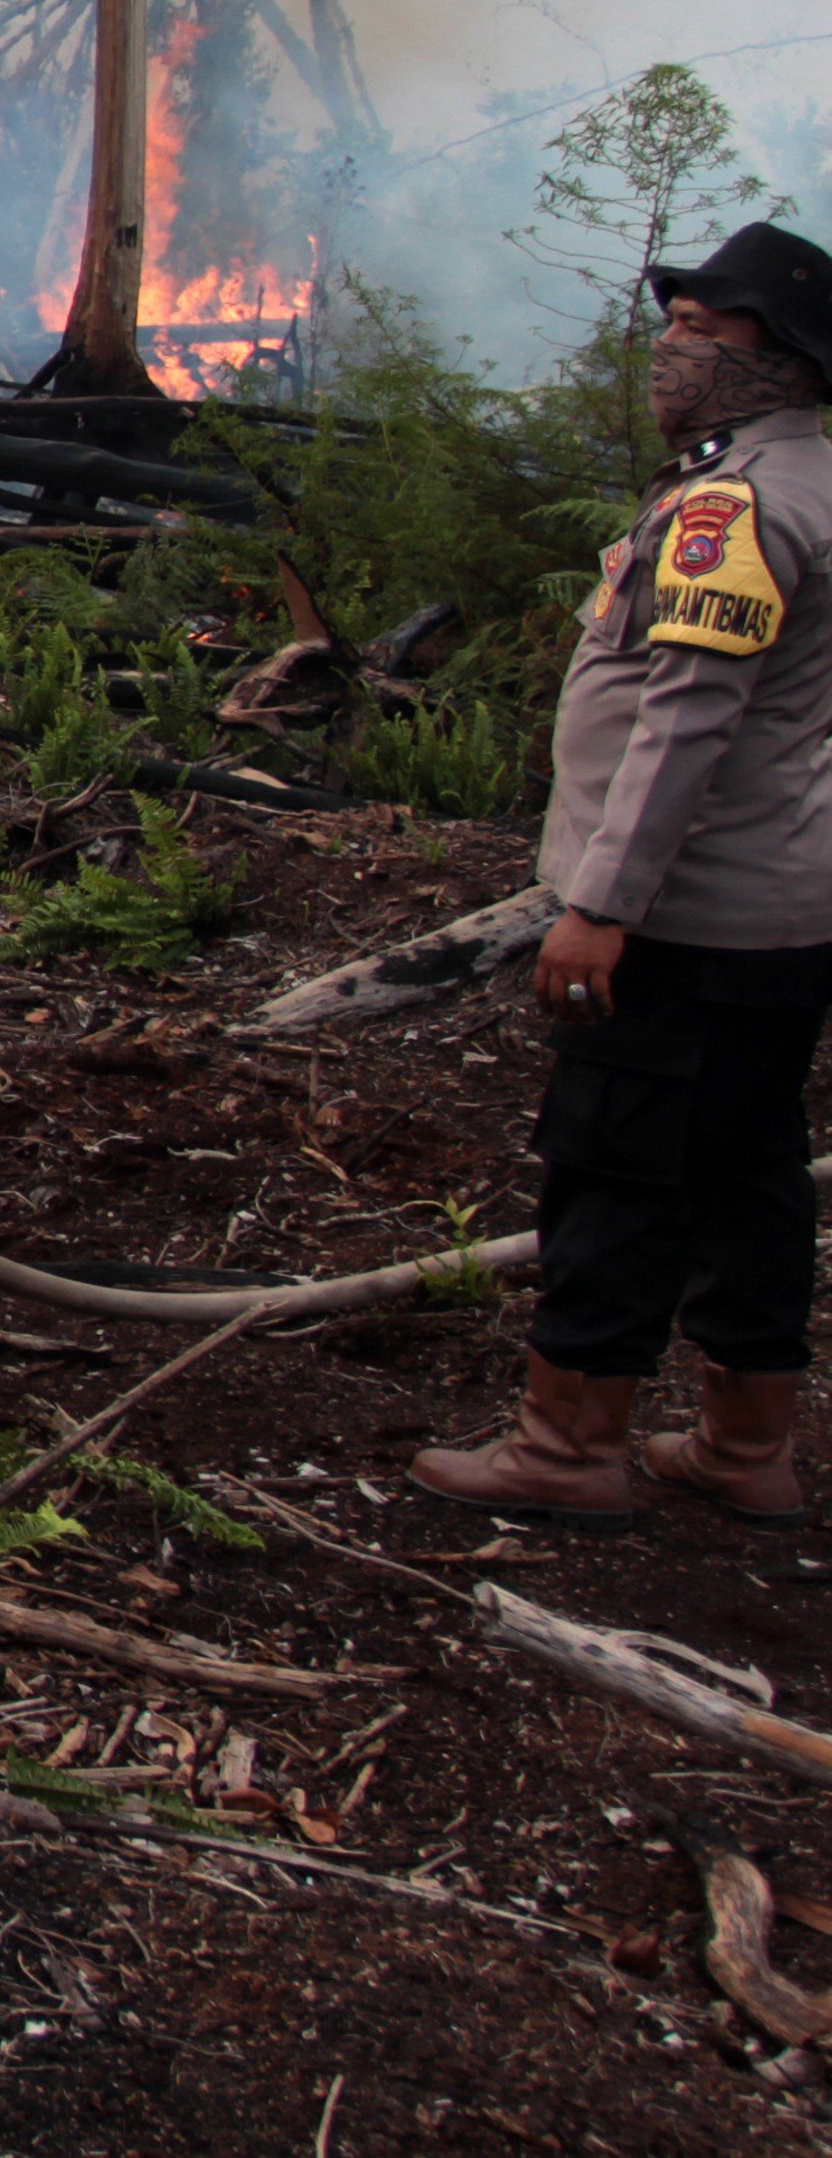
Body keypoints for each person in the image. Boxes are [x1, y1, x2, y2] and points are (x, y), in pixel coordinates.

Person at [415, 221, 832, 1531]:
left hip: (685, 919)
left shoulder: (739, 506)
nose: (677, 346)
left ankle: (564, 1447)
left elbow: (687, 723)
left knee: (615, 1168)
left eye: (709, 328)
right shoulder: (810, 481)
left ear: (786, 358)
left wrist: (599, 907)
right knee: (749, 1166)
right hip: (782, 914)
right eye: (681, 321)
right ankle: (745, 1446)